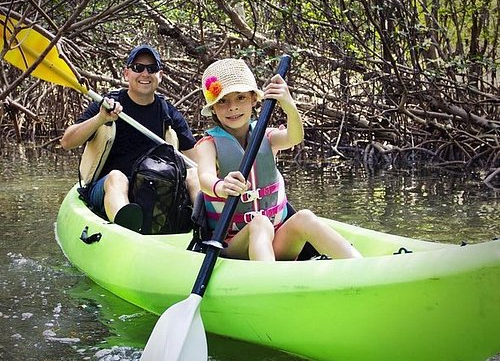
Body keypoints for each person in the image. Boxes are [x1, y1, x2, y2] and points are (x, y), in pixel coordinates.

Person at [196, 58, 361, 261]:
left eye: (240, 98)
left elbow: (294, 137)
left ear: (253, 100)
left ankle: (360, 265)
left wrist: (289, 106)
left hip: (276, 239)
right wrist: (221, 186)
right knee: (260, 223)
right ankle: (269, 284)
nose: (232, 107)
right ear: (213, 108)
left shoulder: (266, 136)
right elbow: (204, 178)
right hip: (233, 244)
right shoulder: (208, 144)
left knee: (305, 217)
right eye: (223, 101)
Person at [61, 44, 198, 232]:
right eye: (138, 68)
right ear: (126, 73)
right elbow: (67, 142)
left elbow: (197, 161)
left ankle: (206, 227)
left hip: (154, 187)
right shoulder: (107, 104)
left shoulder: (169, 113)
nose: (145, 74)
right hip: (108, 188)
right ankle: (126, 231)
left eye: (151, 69)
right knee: (117, 178)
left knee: (193, 175)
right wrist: (100, 119)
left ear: (160, 75)